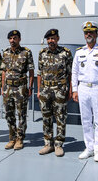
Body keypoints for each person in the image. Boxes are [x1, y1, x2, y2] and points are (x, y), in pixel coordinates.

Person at [71, 21, 98, 162]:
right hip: (83, 88)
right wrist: (74, 90)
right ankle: (89, 148)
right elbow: (74, 72)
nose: (88, 34)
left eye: (91, 32)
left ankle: (97, 149)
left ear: (96, 34)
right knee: (85, 120)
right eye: (86, 32)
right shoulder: (79, 52)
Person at [37, 29, 73, 157]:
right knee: (46, 117)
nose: (51, 41)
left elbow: (70, 73)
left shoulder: (65, 53)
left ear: (58, 38)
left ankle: (58, 145)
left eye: (53, 38)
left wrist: (70, 89)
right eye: (49, 39)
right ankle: (48, 144)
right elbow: (39, 73)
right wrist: (38, 90)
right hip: (45, 90)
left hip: (60, 89)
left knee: (60, 117)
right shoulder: (42, 53)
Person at [1, 30, 34, 150]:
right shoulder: (5, 53)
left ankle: (20, 138)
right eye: (10, 38)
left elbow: (31, 71)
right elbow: (3, 71)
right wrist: (3, 87)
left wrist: (30, 88)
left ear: (19, 39)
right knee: (9, 114)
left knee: (21, 114)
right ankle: (12, 137)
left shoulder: (26, 52)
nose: (12, 41)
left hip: (21, 88)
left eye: (14, 38)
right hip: (8, 88)